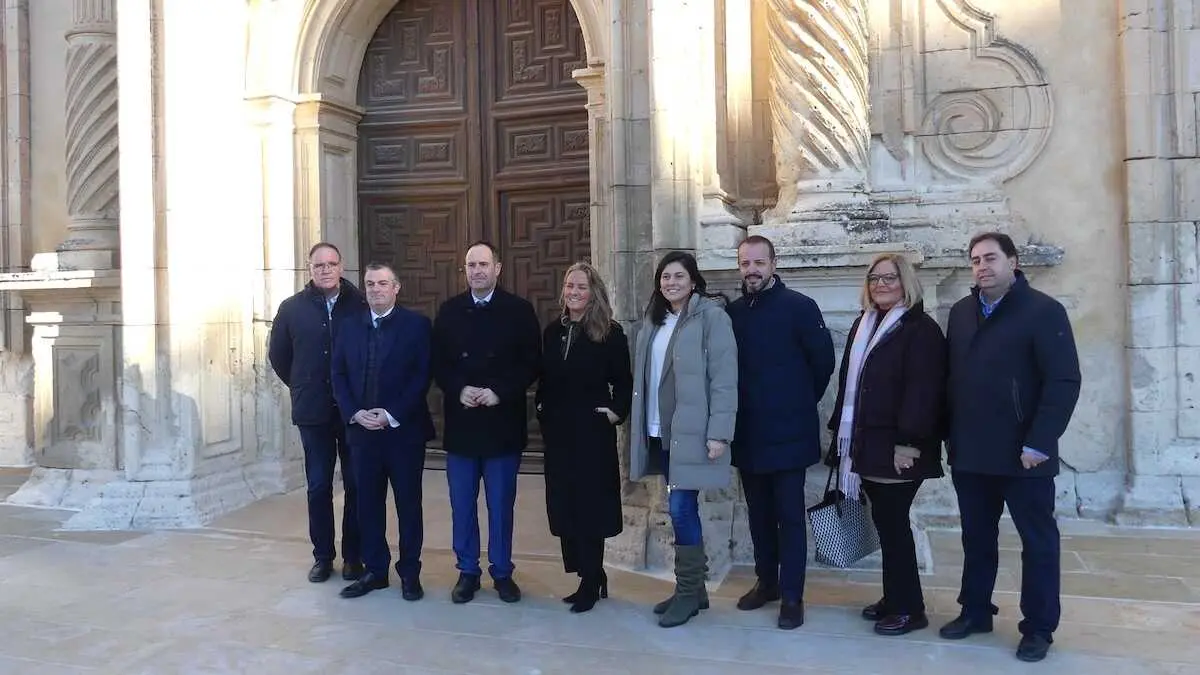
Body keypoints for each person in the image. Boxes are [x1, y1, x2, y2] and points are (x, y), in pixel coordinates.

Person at [940, 232, 1081, 663]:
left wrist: (1040, 442)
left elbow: (1064, 381)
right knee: (976, 538)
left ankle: (1038, 627)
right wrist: (951, 438)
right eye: (975, 260)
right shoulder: (962, 313)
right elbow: (953, 380)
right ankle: (975, 611)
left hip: (1025, 454)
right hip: (972, 452)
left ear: (1013, 262)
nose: (982, 266)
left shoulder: (1043, 311)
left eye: (991, 258)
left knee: (1038, 543)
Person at [825, 252, 947, 636]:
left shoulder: (920, 328)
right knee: (886, 524)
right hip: (868, 443)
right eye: (875, 278)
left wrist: (908, 444)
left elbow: (924, 391)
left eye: (890, 278)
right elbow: (851, 384)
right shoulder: (866, 324)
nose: (881, 284)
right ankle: (894, 598)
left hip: (899, 449)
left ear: (905, 282)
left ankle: (911, 608)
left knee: (894, 527)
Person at [726, 235, 835, 630]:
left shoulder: (801, 308)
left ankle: (792, 595)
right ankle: (766, 582)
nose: (751, 270)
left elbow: (822, 365)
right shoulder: (733, 313)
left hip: (789, 434)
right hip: (748, 434)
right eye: (744, 263)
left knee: (789, 516)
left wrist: (796, 402)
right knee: (758, 514)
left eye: (758, 262)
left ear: (773, 263)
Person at [628, 251, 738, 628]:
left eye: (678, 276)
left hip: (691, 432)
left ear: (693, 281)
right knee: (679, 508)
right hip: (659, 430)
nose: (670, 282)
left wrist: (720, 433)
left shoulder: (712, 318)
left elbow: (724, 379)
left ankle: (689, 591)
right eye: (665, 276)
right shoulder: (653, 320)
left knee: (680, 508)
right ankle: (694, 589)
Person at [432, 241, 541, 604]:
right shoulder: (449, 311)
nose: (477, 270)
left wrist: (499, 391)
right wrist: (459, 388)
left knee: (500, 505)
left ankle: (502, 571)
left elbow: (531, 364)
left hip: (502, 424)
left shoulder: (520, 311)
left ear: (498, 268)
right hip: (462, 425)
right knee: (462, 505)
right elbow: (438, 364)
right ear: (464, 271)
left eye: (483, 264)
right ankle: (467, 571)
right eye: (471, 265)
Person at [331, 263, 434, 600]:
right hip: (362, 433)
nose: (375, 289)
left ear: (396, 288)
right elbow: (339, 375)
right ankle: (375, 570)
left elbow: (421, 377)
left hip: (402, 434)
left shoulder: (417, 326)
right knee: (366, 504)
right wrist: (354, 413)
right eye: (370, 284)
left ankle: (409, 573)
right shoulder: (347, 326)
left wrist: (390, 415)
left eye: (382, 283)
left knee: (408, 505)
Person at [535, 262, 632, 613]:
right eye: (569, 286)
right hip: (559, 434)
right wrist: (542, 410)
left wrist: (615, 411)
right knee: (565, 507)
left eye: (581, 287)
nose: (573, 292)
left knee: (590, 508)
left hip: (592, 434)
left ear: (594, 292)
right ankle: (584, 573)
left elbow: (624, 381)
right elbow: (544, 379)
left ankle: (592, 579)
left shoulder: (609, 332)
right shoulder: (552, 331)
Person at [268, 242, 366, 583]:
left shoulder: (360, 305)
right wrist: (301, 385)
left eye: (331, 264)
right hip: (314, 412)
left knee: (356, 485)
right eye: (318, 265)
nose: (325, 269)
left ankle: (354, 556)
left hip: (353, 412)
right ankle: (323, 557)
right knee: (319, 486)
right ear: (309, 269)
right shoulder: (292, 309)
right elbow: (280, 357)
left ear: (341, 267)